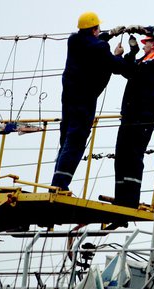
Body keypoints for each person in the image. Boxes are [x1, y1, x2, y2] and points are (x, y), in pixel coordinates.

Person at [51, 11, 126, 192]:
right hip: (84, 101)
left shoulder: (73, 41)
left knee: (66, 139)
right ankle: (60, 185)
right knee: (76, 141)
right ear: (94, 29)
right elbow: (116, 67)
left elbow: (93, 40)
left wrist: (110, 34)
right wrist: (119, 55)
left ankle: (56, 182)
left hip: (68, 98)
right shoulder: (100, 48)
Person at [113, 27, 154, 208]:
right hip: (129, 114)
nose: (143, 45)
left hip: (144, 115)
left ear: (153, 43)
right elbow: (125, 71)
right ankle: (120, 198)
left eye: (145, 42)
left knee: (133, 155)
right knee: (121, 156)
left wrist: (143, 29)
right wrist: (128, 54)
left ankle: (130, 201)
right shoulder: (142, 61)